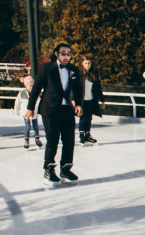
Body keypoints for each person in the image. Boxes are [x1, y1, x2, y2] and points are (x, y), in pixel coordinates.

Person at [26, 43, 83, 187]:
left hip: (66, 109)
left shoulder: (74, 70)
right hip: (50, 109)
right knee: (53, 140)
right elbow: (37, 87)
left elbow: (78, 89)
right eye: (63, 53)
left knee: (69, 140)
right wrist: (30, 107)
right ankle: (49, 169)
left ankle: (66, 169)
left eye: (69, 53)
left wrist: (78, 105)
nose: (66, 56)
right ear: (56, 53)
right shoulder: (47, 67)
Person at [78, 55, 105, 146]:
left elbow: (98, 87)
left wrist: (102, 99)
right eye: (85, 63)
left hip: (91, 99)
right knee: (83, 117)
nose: (87, 65)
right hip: (82, 100)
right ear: (82, 63)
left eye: (89, 63)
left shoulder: (93, 73)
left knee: (89, 117)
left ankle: (87, 134)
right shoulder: (79, 73)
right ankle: (81, 134)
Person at [14, 75, 43, 150]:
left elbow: (38, 102)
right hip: (25, 113)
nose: (31, 87)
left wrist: (37, 110)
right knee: (27, 126)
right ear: (26, 85)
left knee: (36, 126)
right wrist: (16, 111)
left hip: (34, 113)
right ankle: (26, 140)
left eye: (32, 85)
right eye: (30, 85)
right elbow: (17, 102)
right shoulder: (22, 93)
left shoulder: (35, 93)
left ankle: (37, 139)